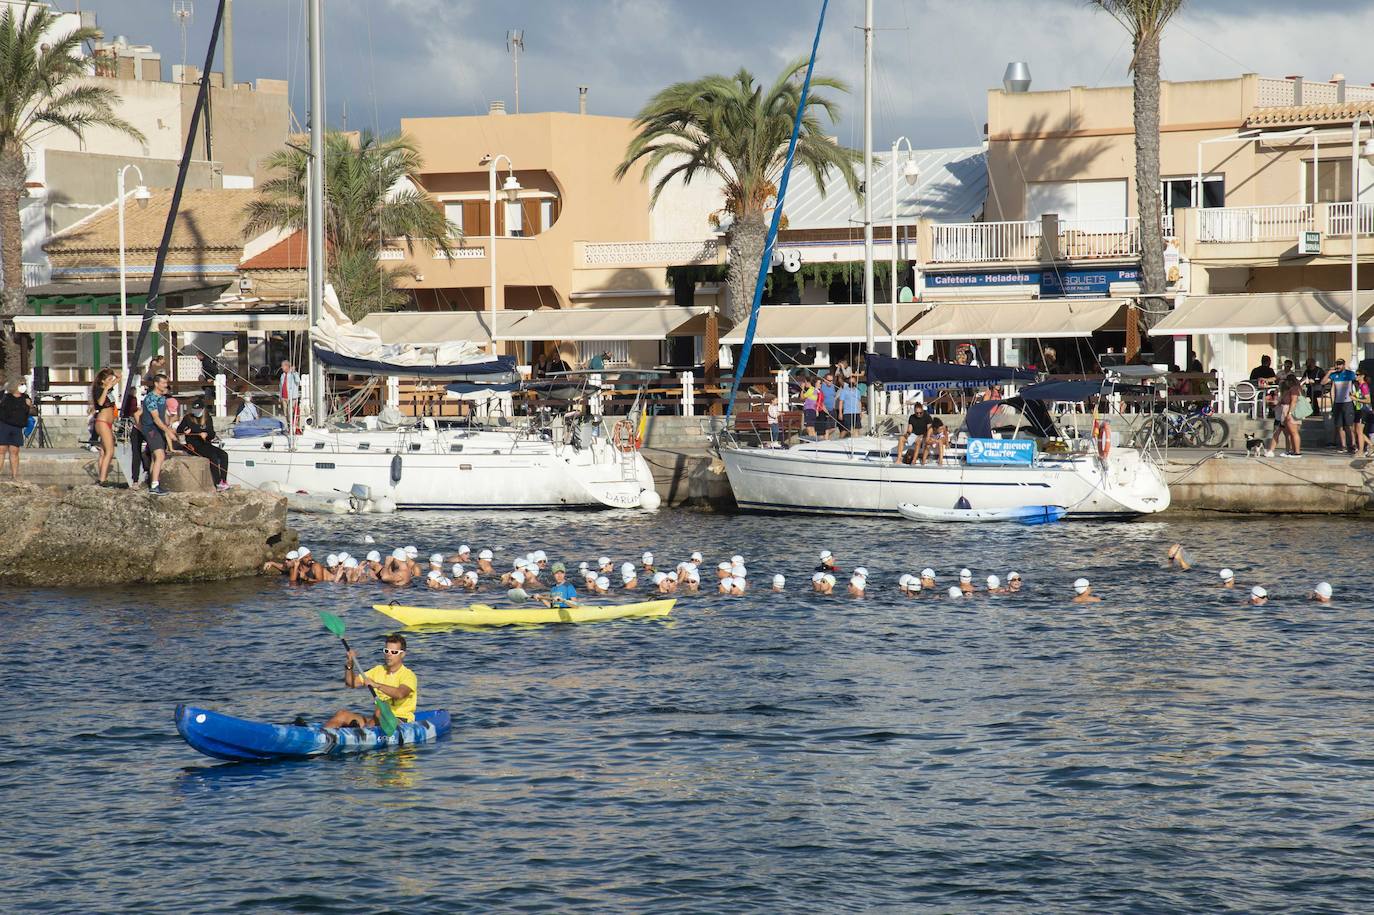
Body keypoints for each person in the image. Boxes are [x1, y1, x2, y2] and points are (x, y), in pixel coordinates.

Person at [324, 634, 417, 729]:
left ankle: (362, 731)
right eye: (386, 651)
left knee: (379, 712)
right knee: (342, 714)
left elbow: (400, 694)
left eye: (394, 652)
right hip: (377, 720)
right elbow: (351, 683)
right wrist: (350, 665)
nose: (389, 655)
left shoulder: (408, 675)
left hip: (401, 721)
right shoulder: (378, 670)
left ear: (402, 654)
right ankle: (324, 735)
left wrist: (376, 685)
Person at [177, 399, 230, 491]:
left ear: (202, 409)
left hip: (205, 444)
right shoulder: (188, 418)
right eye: (194, 409)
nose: (196, 412)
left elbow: (212, 433)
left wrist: (206, 434)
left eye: (198, 410)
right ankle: (217, 483)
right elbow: (179, 430)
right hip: (193, 445)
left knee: (224, 455)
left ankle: (223, 480)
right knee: (212, 456)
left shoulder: (207, 418)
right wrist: (186, 430)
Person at [138, 374, 178, 495]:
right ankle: (155, 486)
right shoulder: (150, 398)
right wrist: (168, 432)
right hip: (151, 429)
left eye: (166, 383)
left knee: (156, 457)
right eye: (163, 383)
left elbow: (163, 416)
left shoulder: (162, 398)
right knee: (160, 455)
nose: (166, 385)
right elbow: (155, 419)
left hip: (159, 428)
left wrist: (169, 425)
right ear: (156, 384)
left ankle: (153, 482)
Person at [90, 368, 119, 486]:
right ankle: (102, 479)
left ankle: (102, 477)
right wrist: (106, 389)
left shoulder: (109, 388)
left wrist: (115, 375)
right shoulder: (99, 390)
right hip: (102, 422)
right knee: (110, 451)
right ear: (103, 381)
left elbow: (119, 378)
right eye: (108, 380)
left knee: (103, 452)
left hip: (108, 423)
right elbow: (100, 403)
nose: (111, 381)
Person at [0, 378, 33, 480]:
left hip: (17, 427)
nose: (23, 386)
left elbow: (30, 412)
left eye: (23, 384)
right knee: (1, 451)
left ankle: (14, 476)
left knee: (14, 451)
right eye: (20, 384)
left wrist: (29, 405)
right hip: (4, 425)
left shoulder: (25, 397)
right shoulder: (4, 396)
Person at [1323, 358, 1358, 453]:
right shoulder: (1334, 375)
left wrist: (1356, 396)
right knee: (1339, 425)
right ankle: (1343, 445)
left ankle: (1353, 444)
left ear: (1344, 364)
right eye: (1337, 364)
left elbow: (1357, 383)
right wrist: (1329, 372)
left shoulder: (1349, 374)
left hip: (1348, 402)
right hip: (1337, 403)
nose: (1338, 366)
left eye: (1340, 364)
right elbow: (1323, 382)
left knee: (1349, 425)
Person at [279, 359, 302, 433]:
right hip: (284, 397)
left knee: (290, 413)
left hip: (292, 397)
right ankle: (289, 427)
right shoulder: (282, 375)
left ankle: (294, 427)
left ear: (287, 366)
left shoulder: (293, 374)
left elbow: (298, 381)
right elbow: (281, 386)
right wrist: (280, 397)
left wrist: (294, 372)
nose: (281, 367)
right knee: (286, 414)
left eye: (283, 366)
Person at [817, 372, 837, 439]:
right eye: (829, 380)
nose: (830, 382)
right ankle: (825, 441)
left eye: (832, 380)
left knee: (833, 428)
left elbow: (833, 397)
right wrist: (824, 408)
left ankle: (822, 438)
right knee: (827, 429)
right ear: (824, 380)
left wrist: (833, 407)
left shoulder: (833, 386)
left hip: (832, 410)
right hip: (824, 410)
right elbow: (820, 399)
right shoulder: (822, 386)